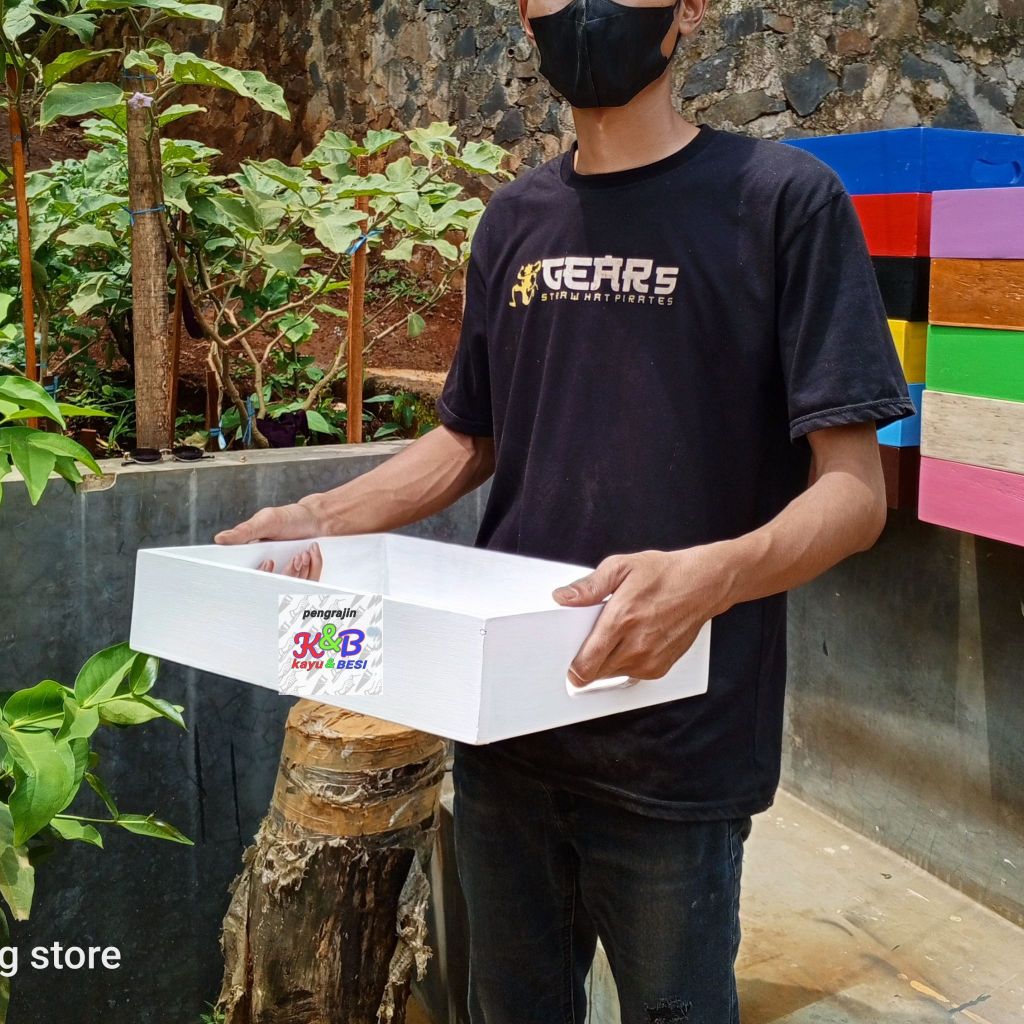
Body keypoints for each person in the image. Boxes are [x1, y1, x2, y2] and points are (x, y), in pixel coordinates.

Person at [215, 1, 915, 1021]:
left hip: (676, 745)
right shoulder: (514, 220)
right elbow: (470, 438)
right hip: (505, 732)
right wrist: (320, 512)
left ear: (692, 8)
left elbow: (855, 495)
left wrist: (711, 576)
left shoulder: (782, 201)